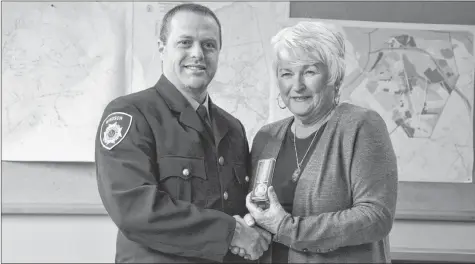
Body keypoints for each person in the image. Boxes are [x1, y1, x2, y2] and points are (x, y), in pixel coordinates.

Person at [95, 3, 271, 263]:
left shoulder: (233, 128)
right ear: (162, 48)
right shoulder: (130, 113)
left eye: (209, 45)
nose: (198, 54)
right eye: (185, 42)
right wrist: (231, 233)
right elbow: (135, 209)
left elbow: (239, 209)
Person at [233, 21, 399, 263]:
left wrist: (286, 227)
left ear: (334, 76)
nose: (297, 85)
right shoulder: (266, 137)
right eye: (287, 73)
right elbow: (259, 211)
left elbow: (375, 217)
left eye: (309, 72)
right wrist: (250, 226)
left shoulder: (361, 126)